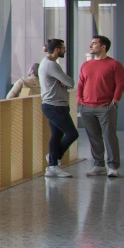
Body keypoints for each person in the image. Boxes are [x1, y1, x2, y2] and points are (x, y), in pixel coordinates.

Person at [77, 35, 124, 178]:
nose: (90, 46)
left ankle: (113, 166)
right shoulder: (86, 65)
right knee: (93, 137)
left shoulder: (114, 65)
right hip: (86, 107)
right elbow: (81, 84)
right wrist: (80, 100)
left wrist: (115, 101)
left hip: (105, 106)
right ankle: (99, 165)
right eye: (91, 43)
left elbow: (120, 85)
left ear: (103, 46)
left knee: (109, 136)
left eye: (94, 43)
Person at [38, 38, 78, 176]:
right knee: (73, 133)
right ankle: (53, 160)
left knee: (56, 135)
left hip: (55, 105)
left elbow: (65, 83)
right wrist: (65, 82)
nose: (65, 50)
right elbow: (70, 82)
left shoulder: (48, 63)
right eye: (63, 48)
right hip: (54, 106)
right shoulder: (51, 65)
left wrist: (63, 82)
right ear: (57, 50)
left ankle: (52, 165)